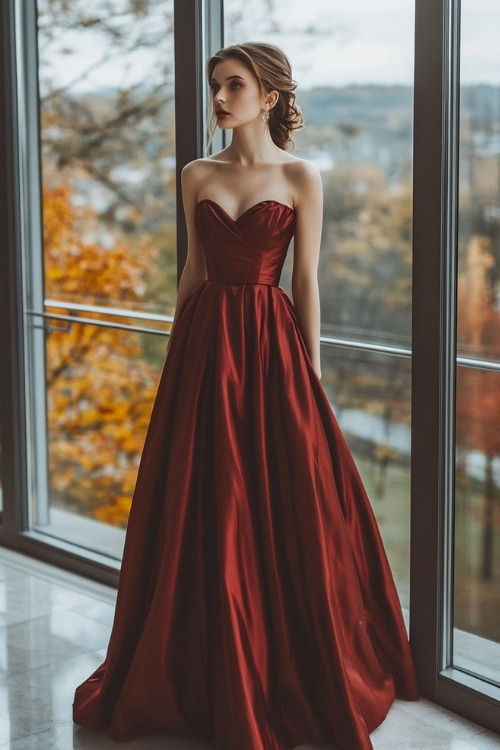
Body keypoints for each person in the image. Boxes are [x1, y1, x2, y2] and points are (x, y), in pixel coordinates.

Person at [73, 41, 419, 750]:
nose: (220, 97)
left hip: (269, 348)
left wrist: (311, 372)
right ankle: (197, 655)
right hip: (204, 348)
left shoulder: (300, 176)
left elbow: (307, 281)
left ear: (269, 97)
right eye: (215, 86)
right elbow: (195, 269)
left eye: (235, 86)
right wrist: (174, 359)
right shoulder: (196, 173)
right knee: (201, 497)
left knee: (272, 495)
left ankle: (273, 653)